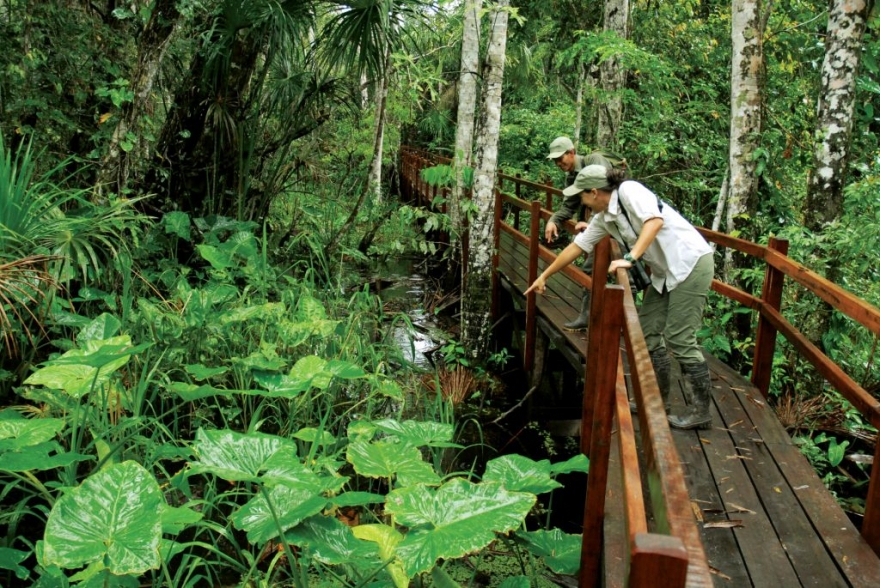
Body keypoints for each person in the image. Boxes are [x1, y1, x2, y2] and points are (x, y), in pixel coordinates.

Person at [525, 164, 716, 430]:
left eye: (582, 195)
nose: (581, 202)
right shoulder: (605, 218)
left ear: (594, 192)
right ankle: (659, 400)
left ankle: (700, 412)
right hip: (665, 272)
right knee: (647, 331)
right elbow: (578, 247)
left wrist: (630, 258)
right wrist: (544, 275)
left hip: (690, 264)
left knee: (679, 337)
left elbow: (654, 221)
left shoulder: (629, 191)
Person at [544, 137, 618, 331]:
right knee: (591, 269)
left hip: (616, 223)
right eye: (555, 160)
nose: (559, 163)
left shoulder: (595, 162)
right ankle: (588, 317)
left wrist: (592, 221)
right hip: (603, 226)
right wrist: (553, 220)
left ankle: (621, 324)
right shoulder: (572, 178)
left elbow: (604, 193)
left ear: (572, 152)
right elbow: (568, 206)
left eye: (561, 158)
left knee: (628, 276)